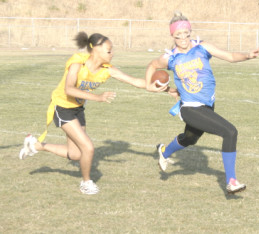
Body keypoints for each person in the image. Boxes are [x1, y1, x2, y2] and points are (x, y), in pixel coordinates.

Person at [19, 31, 161, 195]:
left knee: (76, 154)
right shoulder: (78, 63)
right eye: (109, 50)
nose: (112, 53)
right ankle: (86, 183)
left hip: (77, 109)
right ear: (95, 49)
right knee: (88, 148)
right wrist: (98, 97)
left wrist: (159, 88)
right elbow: (69, 89)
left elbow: (134, 81)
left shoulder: (107, 69)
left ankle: (35, 145)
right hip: (62, 106)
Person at [145, 12, 259, 194]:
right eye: (178, 35)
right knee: (230, 132)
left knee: (190, 138)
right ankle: (231, 181)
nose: (183, 38)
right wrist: (150, 86)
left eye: (186, 33)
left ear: (190, 32)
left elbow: (230, 56)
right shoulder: (170, 58)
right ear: (172, 36)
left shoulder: (202, 47)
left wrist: (247, 55)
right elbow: (152, 66)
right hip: (190, 108)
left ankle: (164, 151)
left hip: (206, 106)